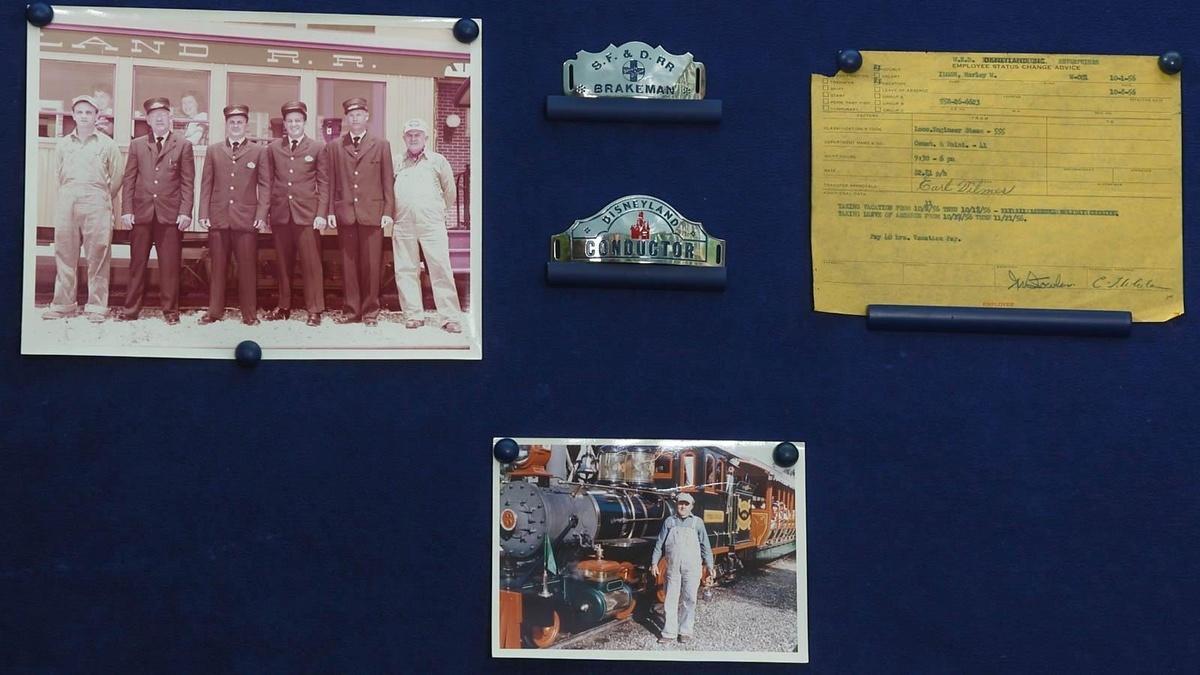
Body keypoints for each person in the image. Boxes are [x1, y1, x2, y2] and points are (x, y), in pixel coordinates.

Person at [43, 95, 123, 323]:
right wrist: (71, 193)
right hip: (68, 200)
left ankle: (97, 307)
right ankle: (63, 304)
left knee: (98, 253)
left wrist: (101, 195)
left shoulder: (108, 144)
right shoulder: (63, 144)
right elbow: (58, 174)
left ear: (97, 116)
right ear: (74, 115)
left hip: (97, 200)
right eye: (80, 112)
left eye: (89, 112)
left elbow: (117, 177)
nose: (85, 116)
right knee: (65, 252)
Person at [118, 97, 194, 325]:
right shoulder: (137, 145)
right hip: (141, 214)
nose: (159, 118)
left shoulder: (183, 145)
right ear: (148, 120)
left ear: (170, 117)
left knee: (170, 266)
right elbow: (129, 179)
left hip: (170, 215)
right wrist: (127, 209)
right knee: (137, 264)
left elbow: (187, 183)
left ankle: (170, 311)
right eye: (154, 115)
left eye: (164, 114)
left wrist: (185, 211)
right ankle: (131, 309)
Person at [197, 104, 270, 326]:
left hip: (246, 219)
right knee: (218, 266)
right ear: (226, 125)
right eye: (232, 122)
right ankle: (214, 311)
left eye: (240, 122)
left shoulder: (258, 151)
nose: (236, 126)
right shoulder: (214, 150)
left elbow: (265, 185)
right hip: (219, 217)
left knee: (247, 267)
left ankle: (249, 314)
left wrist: (261, 214)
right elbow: (206, 184)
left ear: (246, 125)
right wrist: (203, 212)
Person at [324, 97, 393, 325]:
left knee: (372, 265)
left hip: (372, 213)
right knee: (349, 264)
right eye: (351, 115)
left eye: (359, 114)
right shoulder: (335, 146)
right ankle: (351, 311)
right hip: (345, 213)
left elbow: (387, 182)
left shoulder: (381, 145)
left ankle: (371, 312)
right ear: (347, 119)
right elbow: (331, 180)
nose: (355, 119)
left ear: (367, 117)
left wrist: (388, 211)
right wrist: (331, 211)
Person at [391, 118, 462, 333]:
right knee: (405, 269)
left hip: (432, 224)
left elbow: (450, 192)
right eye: (409, 135)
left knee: (440, 268)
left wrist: (437, 210)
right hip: (403, 223)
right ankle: (413, 315)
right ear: (404, 138)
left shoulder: (438, 161)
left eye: (417, 135)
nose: (413, 138)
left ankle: (449, 317)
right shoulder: (396, 161)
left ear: (425, 138)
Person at [264, 100, 328, 326]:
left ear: (304, 122)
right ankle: (283, 306)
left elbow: (324, 182)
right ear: (284, 124)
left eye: (297, 121)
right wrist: (266, 213)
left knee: (311, 263)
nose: (293, 125)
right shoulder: (273, 148)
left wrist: (321, 213)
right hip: (281, 214)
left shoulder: (317, 148)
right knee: (282, 263)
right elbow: (268, 182)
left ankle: (315, 309)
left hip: (307, 215)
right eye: (289, 121)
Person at [650, 492, 717, 644]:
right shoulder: (669, 522)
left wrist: (710, 565)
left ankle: (686, 631)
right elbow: (659, 544)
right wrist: (654, 563)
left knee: (690, 599)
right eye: (681, 503)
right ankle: (669, 633)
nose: (683, 506)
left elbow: (705, 546)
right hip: (673, 568)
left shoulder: (697, 523)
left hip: (692, 569)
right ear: (676, 504)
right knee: (670, 600)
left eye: (686, 504)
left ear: (691, 506)